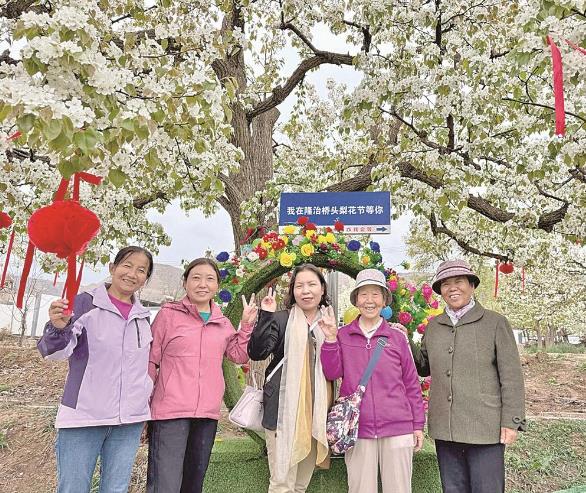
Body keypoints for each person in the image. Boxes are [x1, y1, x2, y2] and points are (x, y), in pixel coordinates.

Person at [37, 246, 155, 493]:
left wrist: (142, 408)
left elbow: (141, 367)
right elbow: (55, 353)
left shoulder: (143, 316)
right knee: (73, 488)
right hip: (84, 416)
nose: (132, 274)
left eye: (141, 270)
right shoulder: (84, 304)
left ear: (145, 279)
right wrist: (58, 328)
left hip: (128, 422)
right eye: (127, 265)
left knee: (116, 489)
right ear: (112, 268)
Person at [411, 259, 526, 493]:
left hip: (485, 428)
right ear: (440, 291)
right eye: (445, 284)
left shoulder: (495, 323)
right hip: (446, 429)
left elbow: (511, 377)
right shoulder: (434, 326)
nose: (452, 288)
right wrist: (404, 339)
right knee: (453, 489)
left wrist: (511, 422)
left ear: (472, 285)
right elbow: (423, 367)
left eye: (459, 281)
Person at [146, 257, 257, 493]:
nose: (202, 284)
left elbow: (238, 355)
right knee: (165, 484)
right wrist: (144, 402)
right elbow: (150, 359)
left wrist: (246, 326)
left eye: (209, 279)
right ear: (185, 282)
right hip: (170, 413)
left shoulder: (222, 322)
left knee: (193, 484)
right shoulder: (168, 315)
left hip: (206, 414)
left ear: (217, 285)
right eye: (196, 278)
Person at [320, 268, 425, 493]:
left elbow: (411, 384)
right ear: (356, 300)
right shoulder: (343, 335)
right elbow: (331, 372)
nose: (370, 300)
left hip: (398, 428)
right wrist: (329, 340)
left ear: (384, 300)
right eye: (364, 294)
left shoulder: (397, 337)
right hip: (357, 428)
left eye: (376, 294)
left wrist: (417, 425)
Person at [248, 264, 333, 493]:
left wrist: (332, 337)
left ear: (322, 289)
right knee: (282, 484)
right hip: (282, 412)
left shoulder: (329, 323)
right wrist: (266, 316)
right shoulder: (281, 319)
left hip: (315, 414)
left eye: (312, 284)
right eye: (299, 285)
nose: (306, 291)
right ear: (293, 291)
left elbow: (335, 369)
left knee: (300, 485)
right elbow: (257, 353)